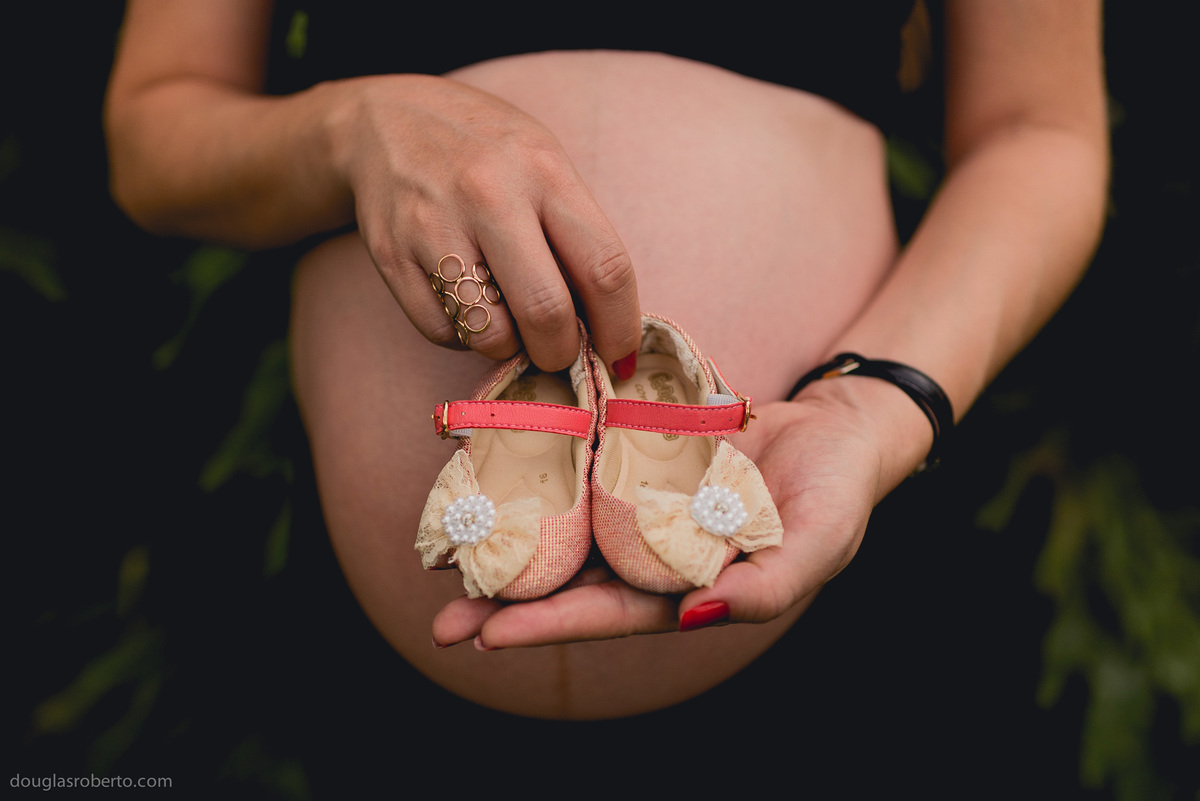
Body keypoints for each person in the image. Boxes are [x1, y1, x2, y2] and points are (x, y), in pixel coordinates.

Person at [103, 0, 1109, 720]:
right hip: (381, 688)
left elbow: (1039, 129)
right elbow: (156, 129)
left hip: (833, 568)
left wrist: (883, 405)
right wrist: (347, 128)